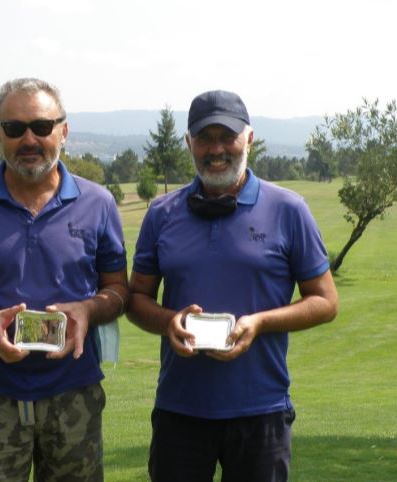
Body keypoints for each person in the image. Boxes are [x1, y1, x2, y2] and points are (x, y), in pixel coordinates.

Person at [0, 78, 128, 482]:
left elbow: (118, 290)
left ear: (64, 131)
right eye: (14, 128)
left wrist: (87, 310)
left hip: (75, 394)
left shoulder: (98, 203)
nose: (29, 139)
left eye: (42, 127)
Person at [127, 90, 338, 482]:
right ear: (188, 142)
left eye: (229, 136)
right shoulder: (161, 214)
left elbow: (325, 302)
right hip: (180, 410)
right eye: (205, 138)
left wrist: (259, 323)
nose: (217, 149)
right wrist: (168, 322)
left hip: (261, 411)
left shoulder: (289, 210)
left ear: (250, 138)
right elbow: (136, 298)